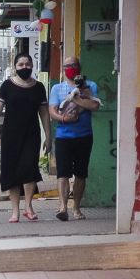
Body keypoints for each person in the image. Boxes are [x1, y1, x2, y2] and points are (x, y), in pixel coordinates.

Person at [0, 53, 51, 223]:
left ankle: (28, 206)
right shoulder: (7, 86)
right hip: (11, 135)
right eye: (21, 65)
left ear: (32, 66)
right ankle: (15, 211)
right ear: (15, 67)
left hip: (31, 134)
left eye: (27, 64)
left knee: (29, 169)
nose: (24, 67)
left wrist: (49, 136)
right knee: (11, 171)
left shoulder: (39, 87)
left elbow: (44, 113)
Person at [48, 56, 101, 221]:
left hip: (84, 136)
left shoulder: (90, 86)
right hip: (63, 137)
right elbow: (52, 111)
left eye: (74, 65)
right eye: (67, 66)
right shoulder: (57, 88)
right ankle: (62, 207)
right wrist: (63, 118)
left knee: (80, 174)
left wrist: (76, 98)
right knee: (62, 173)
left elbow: (95, 105)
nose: (71, 68)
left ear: (80, 67)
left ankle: (76, 208)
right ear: (63, 69)